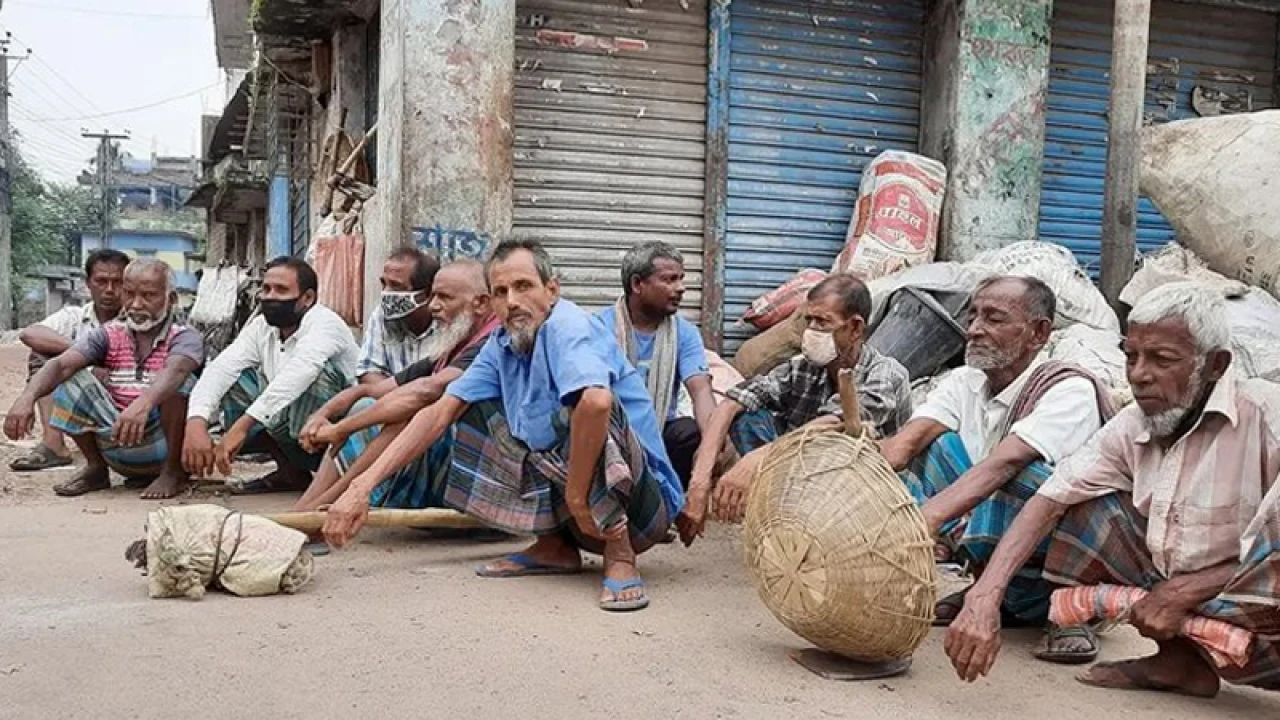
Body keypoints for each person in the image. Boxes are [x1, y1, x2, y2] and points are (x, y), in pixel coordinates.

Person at [946, 282, 1280, 697]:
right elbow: (1049, 500)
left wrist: (1187, 590)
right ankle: (1180, 662)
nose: (1139, 375)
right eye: (1131, 356)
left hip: (1264, 614)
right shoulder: (1133, 424)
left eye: (1162, 359)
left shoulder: (1267, 414)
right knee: (1070, 502)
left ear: (1215, 365)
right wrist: (984, 598)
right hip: (1188, 603)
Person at [322, 240, 683, 613]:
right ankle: (554, 546)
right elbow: (438, 412)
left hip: (639, 509)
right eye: (500, 292)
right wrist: (361, 488)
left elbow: (596, 403)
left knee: (584, 405)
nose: (511, 301)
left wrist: (577, 501)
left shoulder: (568, 327)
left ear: (552, 290)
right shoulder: (501, 344)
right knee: (474, 408)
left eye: (523, 286)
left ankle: (619, 555)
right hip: (580, 518)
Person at [879, 276, 1114, 663]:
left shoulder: (1069, 389)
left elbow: (1005, 463)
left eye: (994, 318)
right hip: (1001, 541)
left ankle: (1069, 611)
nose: (974, 329)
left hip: (1060, 557)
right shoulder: (964, 381)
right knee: (934, 449)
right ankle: (991, 591)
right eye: (972, 316)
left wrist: (923, 522)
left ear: (1038, 333)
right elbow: (906, 444)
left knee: (1020, 476)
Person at [679, 274, 912, 542]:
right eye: (808, 320)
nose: (811, 330)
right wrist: (699, 483)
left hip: (865, 493)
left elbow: (833, 424)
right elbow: (731, 403)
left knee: (824, 443)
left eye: (822, 322)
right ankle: (777, 520)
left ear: (855, 328)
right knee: (747, 417)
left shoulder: (884, 374)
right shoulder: (802, 367)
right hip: (809, 481)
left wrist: (755, 461)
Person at [295, 259, 498, 512]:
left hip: (483, 470)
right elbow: (369, 389)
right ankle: (310, 506)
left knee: (401, 415)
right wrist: (321, 416)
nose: (433, 306)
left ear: (481, 303)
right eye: (433, 296)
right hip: (453, 459)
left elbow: (427, 391)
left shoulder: (491, 342)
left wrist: (342, 429)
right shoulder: (453, 346)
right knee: (368, 406)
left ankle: (323, 507)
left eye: (444, 297)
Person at [3, 259, 204, 499]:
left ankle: (173, 472)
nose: (136, 304)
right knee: (69, 378)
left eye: (148, 295)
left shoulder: (185, 336)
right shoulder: (110, 333)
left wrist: (142, 404)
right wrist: (26, 398)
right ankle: (96, 468)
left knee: (181, 385)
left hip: (162, 445)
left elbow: (177, 371)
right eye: (129, 294)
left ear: (170, 300)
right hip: (118, 440)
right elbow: (61, 365)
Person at [182, 256, 360, 494]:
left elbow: (302, 372)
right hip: (288, 427)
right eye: (266, 289)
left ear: (307, 298)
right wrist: (196, 421)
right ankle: (290, 473)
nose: (270, 297)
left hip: (337, 429)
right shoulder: (261, 327)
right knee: (236, 379)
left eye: (281, 290)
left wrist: (243, 426)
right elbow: (222, 368)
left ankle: (331, 481)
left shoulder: (325, 323)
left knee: (313, 378)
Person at [595, 241, 716, 488]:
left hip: (660, 429)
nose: (681, 288)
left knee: (689, 433)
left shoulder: (684, 334)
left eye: (681, 279)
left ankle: (674, 501)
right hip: (614, 432)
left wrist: (711, 447)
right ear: (637, 284)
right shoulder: (599, 328)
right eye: (669, 280)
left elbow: (701, 390)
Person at [10, 248, 130, 472]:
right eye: (101, 281)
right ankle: (53, 445)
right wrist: (87, 355)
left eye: (118, 282)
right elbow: (29, 333)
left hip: (127, 409)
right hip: (88, 398)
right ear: (88, 283)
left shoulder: (138, 320)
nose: (109, 290)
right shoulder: (75, 317)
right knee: (43, 356)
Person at [356, 248, 442, 384]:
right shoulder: (381, 315)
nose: (386, 292)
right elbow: (368, 372)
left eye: (396, 286)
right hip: (389, 395)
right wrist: (404, 395)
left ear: (425, 295)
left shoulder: (449, 324)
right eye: (384, 283)